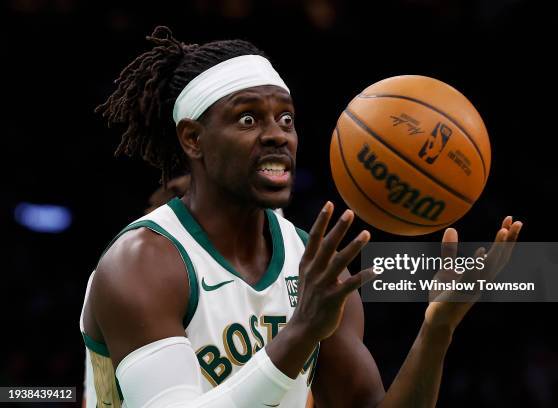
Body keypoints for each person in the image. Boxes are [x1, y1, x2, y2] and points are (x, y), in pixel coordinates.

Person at [80, 26, 522, 407]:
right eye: (249, 119)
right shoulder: (142, 263)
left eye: (287, 119)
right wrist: (303, 330)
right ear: (193, 139)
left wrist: (436, 330)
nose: (277, 134)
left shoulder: (314, 264)